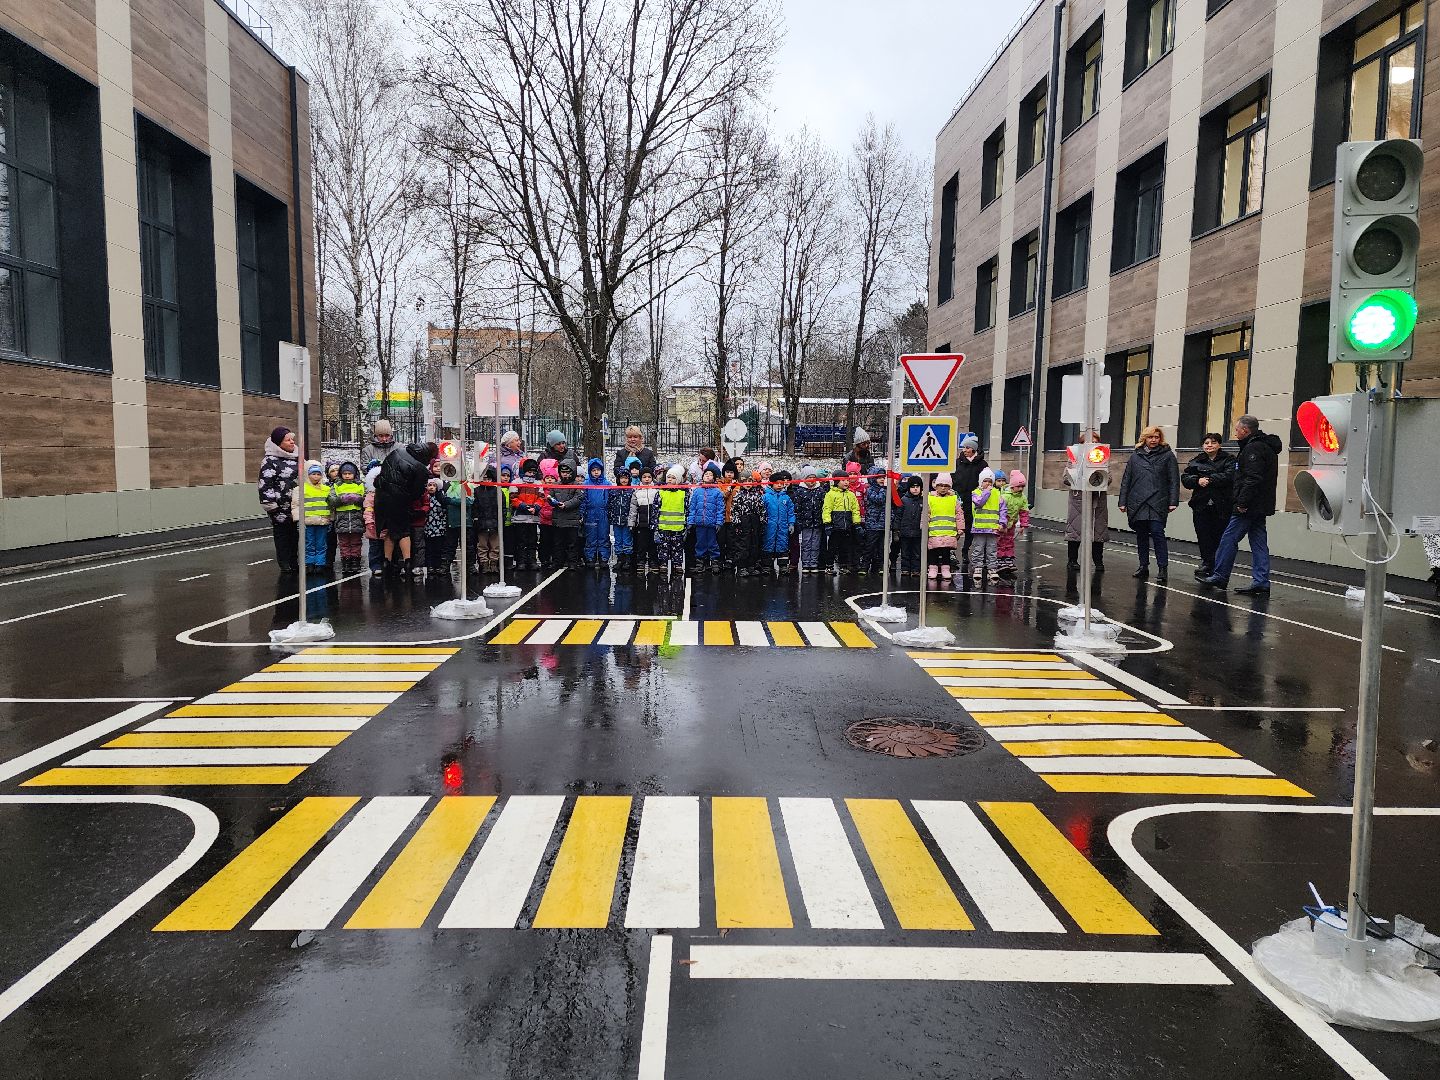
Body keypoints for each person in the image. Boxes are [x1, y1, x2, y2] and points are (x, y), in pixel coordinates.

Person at [1199, 415, 1281, 595]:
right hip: (1261, 505)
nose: (1235, 433)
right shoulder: (1265, 446)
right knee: (1259, 542)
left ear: (1245, 430)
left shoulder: (1253, 449)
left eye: (1237, 430)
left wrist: (1242, 502)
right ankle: (1261, 581)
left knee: (1228, 538)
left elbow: (1252, 479)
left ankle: (1220, 575)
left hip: (1249, 505)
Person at [1118, 425, 1181, 582]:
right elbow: (1127, 480)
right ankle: (1143, 566)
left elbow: (1174, 480)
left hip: (1158, 500)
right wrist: (1122, 501)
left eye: (1156, 437)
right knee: (1141, 535)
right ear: (1144, 438)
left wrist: (1173, 501)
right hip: (1137, 500)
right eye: (1151, 437)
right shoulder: (1135, 456)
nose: (1154, 440)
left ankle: (1162, 568)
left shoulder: (1168, 456)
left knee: (1158, 533)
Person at [374, 439, 437, 575]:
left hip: (381, 498)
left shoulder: (395, 452)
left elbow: (381, 474)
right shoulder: (420, 468)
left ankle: (386, 562)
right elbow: (417, 492)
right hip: (400, 501)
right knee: (403, 532)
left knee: (389, 531)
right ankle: (408, 562)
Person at [1181, 433, 1234, 579]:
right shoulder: (1196, 461)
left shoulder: (1228, 460)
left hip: (1222, 505)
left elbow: (1229, 476)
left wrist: (1209, 479)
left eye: (1213, 442)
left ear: (1220, 445)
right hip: (1201, 504)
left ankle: (1218, 566)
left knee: (1219, 536)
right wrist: (1197, 480)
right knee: (1203, 535)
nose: (1209, 445)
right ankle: (1206, 562)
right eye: (1206, 442)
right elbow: (1185, 478)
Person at [257, 426, 300, 572]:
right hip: (279, 507)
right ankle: (284, 562)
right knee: (282, 534)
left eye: (292, 439)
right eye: (288, 440)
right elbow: (265, 484)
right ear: (278, 443)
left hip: (295, 506)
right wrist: (271, 505)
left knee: (295, 534)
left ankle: (294, 560)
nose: (292, 442)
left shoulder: (297, 457)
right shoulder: (270, 461)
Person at [953, 435, 990, 570]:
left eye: (967, 447)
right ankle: (954, 551)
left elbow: (987, 480)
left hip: (975, 500)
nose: (965, 450)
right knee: (958, 526)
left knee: (972, 528)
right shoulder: (958, 463)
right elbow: (953, 478)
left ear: (974, 449)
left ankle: (967, 551)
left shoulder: (982, 464)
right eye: (964, 447)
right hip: (960, 499)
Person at [968, 468, 1008, 584]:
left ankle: (992, 568)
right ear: (981, 482)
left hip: (993, 528)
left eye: (990, 482)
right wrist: (986, 492)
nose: (988, 484)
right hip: (979, 528)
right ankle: (978, 567)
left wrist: (1002, 523)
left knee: (992, 550)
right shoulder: (976, 493)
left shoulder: (997, 493)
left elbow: (1003, 509)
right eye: (985, 481)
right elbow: (979, 503)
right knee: (978, 548)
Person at [687, 461, 726, 573]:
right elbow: (693, 508)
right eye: (706, 474)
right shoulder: (697, 491)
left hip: (712, 523)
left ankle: (714, 562)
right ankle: (700, 563)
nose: (708, 476)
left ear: (714, 478)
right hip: (699, 523)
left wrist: (719, 522)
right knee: (700, 544)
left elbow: (720, 509)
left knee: (713, 544)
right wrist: (691, 521)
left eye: (710, 475)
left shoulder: (717, 492)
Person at [328, 461, 366, 574]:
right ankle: (346, 561)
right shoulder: (336, 485)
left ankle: (355, 561)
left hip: (356, 519)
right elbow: (331, 500)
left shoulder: (360, 485)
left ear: (355, 474)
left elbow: (365, 500)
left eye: (350, 473)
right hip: (342, 519)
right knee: (343, 543)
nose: (347, 476)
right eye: (345, 473)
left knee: (356, 542)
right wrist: (341, 499)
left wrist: (358, 499)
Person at [730, 465, 767, 576]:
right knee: (742, 544)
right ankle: (742, 566)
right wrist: (736, 523)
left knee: (754, 543)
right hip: (743, 521)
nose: (747, 483)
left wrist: (762, 520)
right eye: (744, 481)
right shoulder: (738, 495)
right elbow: (734, 509)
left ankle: (752, 565)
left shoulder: (757, 494)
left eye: (750, 481)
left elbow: (761, 508)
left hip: (755, 521)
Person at [822, 468, 861, 576]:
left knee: (845, 547)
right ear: (836, 481)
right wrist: (827, 523)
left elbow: (855, 510)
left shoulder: (851, 495)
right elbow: (826, 509)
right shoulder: (830, 494)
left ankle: (843, 566)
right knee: (832, 547)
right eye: (843, 480)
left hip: (847, 526)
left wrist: (857, 523)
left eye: (847, 480)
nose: (846, 482)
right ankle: (829, 566)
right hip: (835, 526)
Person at [509, 459, 544, 571]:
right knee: (521, 541)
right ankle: (521, 561)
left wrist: (536, 507)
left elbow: (541, 498)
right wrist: (523, 506)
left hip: (533, 518)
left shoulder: (538, 484)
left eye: (533, 472)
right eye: (529, 472)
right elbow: (513, 498)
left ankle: (532, 561)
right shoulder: (516, 482)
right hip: (520, 518)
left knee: (532, 541)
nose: (531, 474)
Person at [548, 459, 585, 567]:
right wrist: (551, 500)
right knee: (558, 543)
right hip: (558, 519)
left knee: (572, 543)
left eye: (568, 472)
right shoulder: (556, 484)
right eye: (563, 472)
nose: (565, 474)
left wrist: (566, 505)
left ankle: (572, 562)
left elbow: (578, 498)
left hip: (572, 520)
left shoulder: (576, 485)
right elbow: (550, 496)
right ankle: (557, 562)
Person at [655, 466, 690, 575]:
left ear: (678, 480)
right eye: (668, 477)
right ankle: (663, 564)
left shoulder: (683, 493)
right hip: (663, 526)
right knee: (663, 547)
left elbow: (687, 509)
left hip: (678, 527)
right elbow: (656, 509)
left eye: (673, 478)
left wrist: (686, 525)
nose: (670, 479)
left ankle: (677, 564)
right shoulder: (661, 492)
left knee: (678, 548)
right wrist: (655, 525)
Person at [996, 471, 1030, 579]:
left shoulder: (1022, 498)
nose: (1020, 489)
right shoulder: (1005, 497)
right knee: (1000, 541)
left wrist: (1022, 525)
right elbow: (1000, 511)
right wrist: (1002, 524)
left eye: (1022, 487)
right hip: (1003, 524)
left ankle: (1008, 559)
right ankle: (1000, 559)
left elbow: (1024, 512)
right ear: (1013, 486)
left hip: (1012, 524)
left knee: (1009, 541)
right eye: (1018, 486)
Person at [792, 466, 826, 573]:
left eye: (813, 477)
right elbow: (797, 508)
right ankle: (806, 564)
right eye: (809, 478)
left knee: (816, 543)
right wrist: (799, 521)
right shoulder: (800, 491)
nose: (812, 480)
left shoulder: (820, 490)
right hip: (805, 523)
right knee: (806, 543)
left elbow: (823, 505)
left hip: (817, 522)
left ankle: (814, 563)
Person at [927, 472, 959, 581]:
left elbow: (959, 514)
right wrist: (924, 527)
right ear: (936, 486)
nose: (943, 488)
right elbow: (926, 514)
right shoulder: (930, 498)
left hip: (949, 531)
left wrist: (960, 528)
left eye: (946, 486)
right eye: (941, 485)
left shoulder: (954, 499)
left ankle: (946, 568)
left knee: (946, 550)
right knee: (933, 550)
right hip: (934, 530)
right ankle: (933, 568)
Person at [581, 457, 612, 567]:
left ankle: (603, 557)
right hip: (590, 514)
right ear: (590, 471)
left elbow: (611, 500)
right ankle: (590, 557)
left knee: (603, 535)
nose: (596, 472)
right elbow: (583, 500)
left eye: (598, 470)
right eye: (593, 470)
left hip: (603, 513)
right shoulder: (585, 484)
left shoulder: (607, 484)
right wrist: (582, 513)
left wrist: (610, 512)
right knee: (591, 536)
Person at [762, 471, 795, 575]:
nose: (780, 485)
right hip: (769, 526)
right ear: (772, 483)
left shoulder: (786, 498)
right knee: (768, 545)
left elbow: (791, 512)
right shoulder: (766, 497)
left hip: (783, 526)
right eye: (777, 483)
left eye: (781, 483)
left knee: (783, 545)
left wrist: (791, 523)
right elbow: (762, 512)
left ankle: (783, 566)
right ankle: (767, 566)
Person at [301, 461, 332, 570]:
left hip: (322, 520)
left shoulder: (326, 489)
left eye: (318, 474)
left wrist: (330, 518)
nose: (316, 476)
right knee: (309, 543)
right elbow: (297, 504)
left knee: (321, 543)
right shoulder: (302, 488)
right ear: (308, 475)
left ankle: (320, 563)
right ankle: (309, 563)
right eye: (313, 474)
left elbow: (330, 505)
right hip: (308, 521)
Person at [474, 464, 504, 571]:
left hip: (495, 523)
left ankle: (494, 564)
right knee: (482, 545)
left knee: (495, 545)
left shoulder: (498, 491)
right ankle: (484, 564)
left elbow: (502, 507)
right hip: (481, 523)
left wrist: (501, 520)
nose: (487, 480)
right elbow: (475, 507)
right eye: (484, 478)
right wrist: (476, 519)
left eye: (489, 478)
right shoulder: (476, 491)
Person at [631, 465, 660, 571]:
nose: (647, 479)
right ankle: (641, 561)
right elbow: (633, 508)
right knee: (641, 544)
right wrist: (632, 522)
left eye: (649, 477)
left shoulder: (657, 490)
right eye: (644, 477)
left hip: (653, 523)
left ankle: (653, 561)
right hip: (641, 523)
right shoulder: (637, 491)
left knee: (653, 543)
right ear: (640, 478)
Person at [861, 466, 888, 575]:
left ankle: (879, 566)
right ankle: (865, 565)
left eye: (883, 477)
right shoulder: (870, 490)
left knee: (881, 547)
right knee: (869, 546)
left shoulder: (886, 490)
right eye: (879, 477)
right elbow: (878, 499)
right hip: (873, 524)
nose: (882, 479)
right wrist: (883, 489)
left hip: (883, 523)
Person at [609, 468, 636, 572]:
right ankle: (620, 559)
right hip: (616, 520)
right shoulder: (614, 491)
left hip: (626, 521)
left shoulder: (631, 491)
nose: (624, 480)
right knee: (618, 540)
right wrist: (611, 516)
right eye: (622, 478)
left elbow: (633, 506)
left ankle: (627, 560)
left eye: (626, 478)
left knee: (627, 540)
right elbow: (610, 504)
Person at [423, 472, 450, 574]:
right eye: (429, 485)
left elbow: (445, 507)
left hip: (439, 527)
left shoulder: (441, 497)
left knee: (438, 548)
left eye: (434, 485)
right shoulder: (425, 497)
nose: (431, 488)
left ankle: (437, 565)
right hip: (428, 527)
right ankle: (430, 566)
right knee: (429, 548)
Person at [898, 475, 924, 576]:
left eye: (918, 487)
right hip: (905, 531)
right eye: (913, 487)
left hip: (918, 531)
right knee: (905, 551)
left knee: (917, 552)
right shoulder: (904, 500)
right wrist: (896, 529)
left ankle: (916, 569)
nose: (915, 489)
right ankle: (905, 568)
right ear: (909, 488)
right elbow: (898, 515)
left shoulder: (923, 500)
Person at [537, 457, 559, 567]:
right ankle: (544, 559)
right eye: (548, 477)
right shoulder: (541, 490)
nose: (550, 480)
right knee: (544, 541)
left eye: (552, 478)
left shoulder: (557, 491)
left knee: (555, 541)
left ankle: (554, 559)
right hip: (544, 521)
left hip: (554, 520)